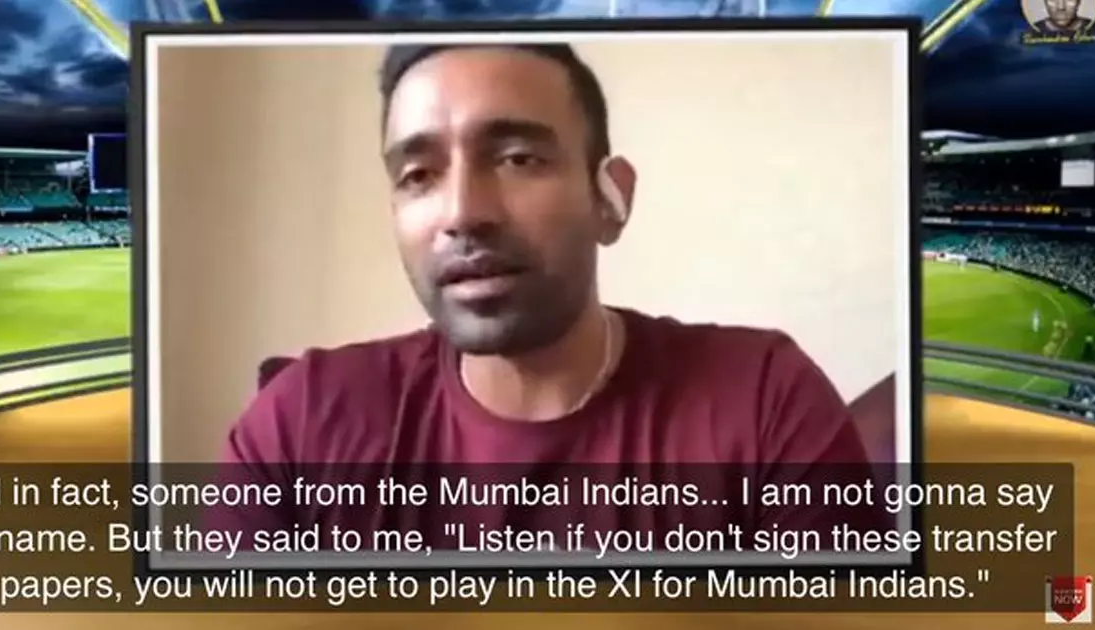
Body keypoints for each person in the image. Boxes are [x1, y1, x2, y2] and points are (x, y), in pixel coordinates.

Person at [210, 43, 889, 551]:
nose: (463, 213)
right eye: (418, 174)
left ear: (610, 199)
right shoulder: (300, 420)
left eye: (518, 159)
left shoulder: (764, 400)